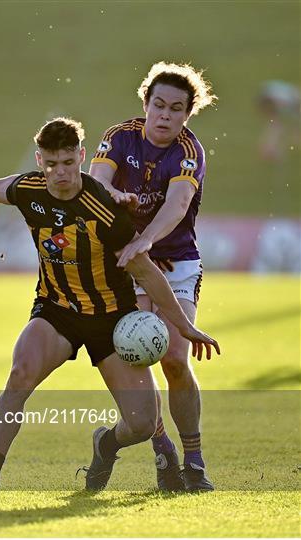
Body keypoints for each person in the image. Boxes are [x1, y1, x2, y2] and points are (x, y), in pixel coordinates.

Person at [0, 117, 219, 498]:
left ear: (81, 158)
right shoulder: (30, 189)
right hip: (57, 311)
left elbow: (148, 274)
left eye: (68, 163)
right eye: (51, 164)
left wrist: (185, 326)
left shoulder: (105, 209)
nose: (60, 173)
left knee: (141, 424)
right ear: (40, 161)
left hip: (112, 321)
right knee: (20, 374)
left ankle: (106, 445)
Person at [89, 61, 217, 491]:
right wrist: (116, 202)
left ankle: (195, 460)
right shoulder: (119, 136)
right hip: (125, 265)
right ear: (146, 104)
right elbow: (96, 181)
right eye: (158, 105)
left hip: (176, 263)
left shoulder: (189, 152)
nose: (165, 115)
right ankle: (164, 450)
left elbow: (178, 205)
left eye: (176, 109)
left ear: (187, 114)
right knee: (140, 356)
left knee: (175, 359)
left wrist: (146, 240)